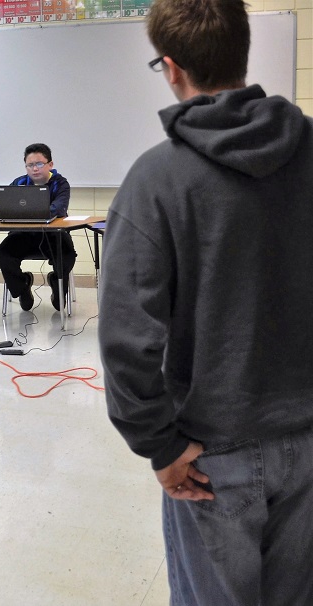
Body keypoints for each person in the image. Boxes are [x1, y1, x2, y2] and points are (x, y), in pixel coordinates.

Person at [98, 1, 313, 603]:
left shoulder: (156, 180)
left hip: (212, 455)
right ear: (243, 52)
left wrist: (160, 447)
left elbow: (126, 338)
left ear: (170, 67)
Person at [0, 143, 73, 311]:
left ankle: (56, 282)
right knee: (3, 256)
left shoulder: (60, 183)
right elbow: (0, 205)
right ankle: (23, 286)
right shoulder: (19, 182)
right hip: (22, 235)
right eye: (30, 165)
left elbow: (59, 208)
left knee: (68, 256)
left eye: (39, 164)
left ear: (50, 165)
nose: (34, 169)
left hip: (52, 235)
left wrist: (30, 211)